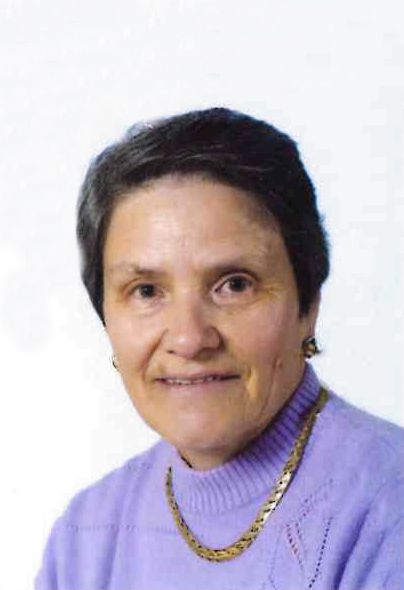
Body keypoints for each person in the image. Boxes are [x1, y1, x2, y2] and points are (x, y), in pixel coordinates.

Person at [35, 108, 404, 590]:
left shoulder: (386, 507)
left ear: (308, 303)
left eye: (234, 284)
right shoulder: (84, 538)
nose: (189, 339)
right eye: (146, 291)